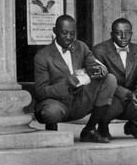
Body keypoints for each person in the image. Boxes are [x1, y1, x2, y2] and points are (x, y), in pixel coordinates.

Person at [34, 15, 117, 143]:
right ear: (55, 31)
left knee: (110, 79)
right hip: (58, 103)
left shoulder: (81, 47)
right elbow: (41, 92)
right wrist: (67, 84)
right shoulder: (42, 56)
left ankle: (89, 130)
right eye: (64, 33)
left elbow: (94, 64)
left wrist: (100, 70)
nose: (69, 37)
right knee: (51, 112)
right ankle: (51, 129)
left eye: (72, 33)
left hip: (80, 100)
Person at [93, 18, 137, 140]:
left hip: (131, 100)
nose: (124, 36)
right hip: (111, 98)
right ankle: (103, 126)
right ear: (112, 34)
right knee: (107, 104)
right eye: (119, 33)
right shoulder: (100, 50)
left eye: (127, 33)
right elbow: (103, 81)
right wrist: (128, 94)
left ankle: (133, 125)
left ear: (131, 33)